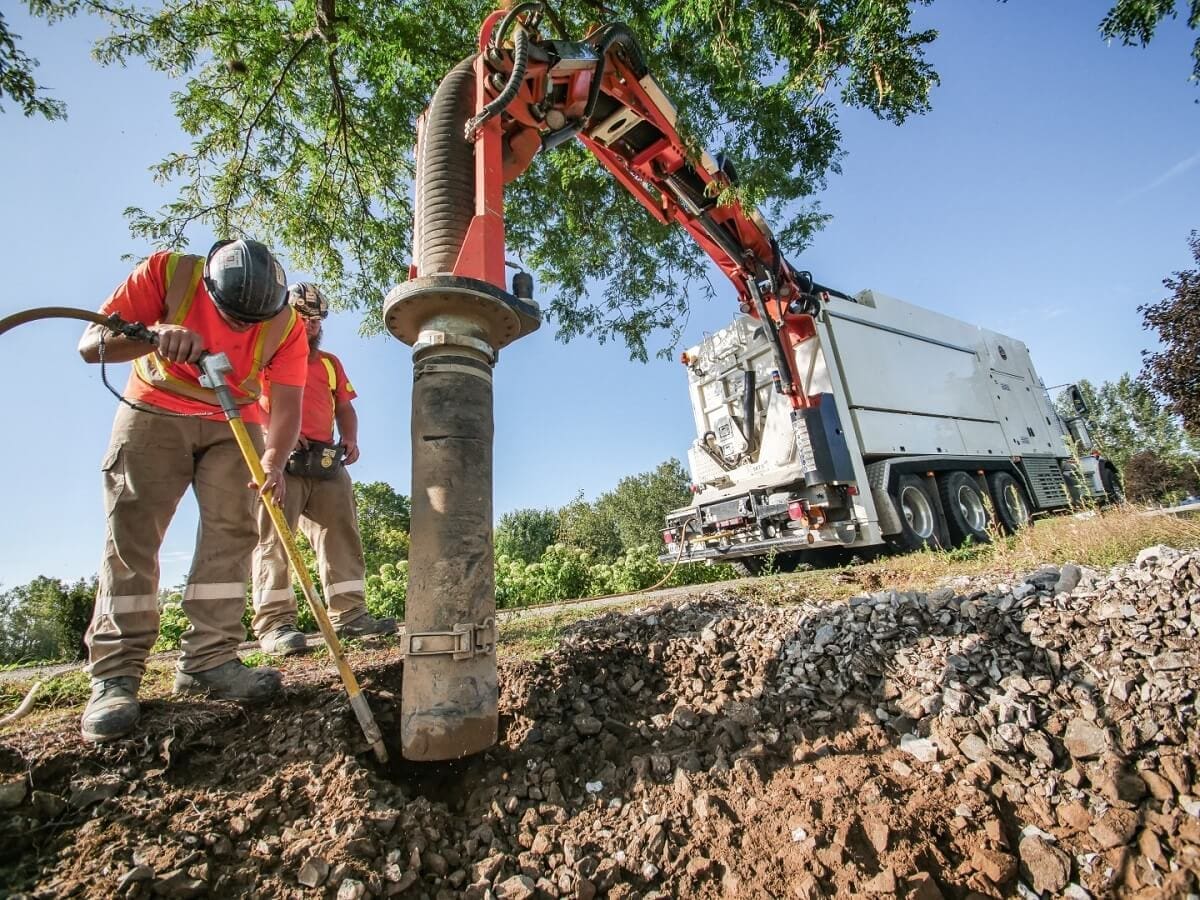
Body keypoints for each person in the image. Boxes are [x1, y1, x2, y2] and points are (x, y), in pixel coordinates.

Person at [77, 239, 309, 743]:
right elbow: (91, 343)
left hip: (235, 419)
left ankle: (211, 658)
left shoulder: (286, 324)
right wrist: (153, 335)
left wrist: (274, 458)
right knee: (133, 534)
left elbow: (287, 403)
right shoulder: (169, 273)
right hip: (155, 407)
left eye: (253, 322)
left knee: (233, 533)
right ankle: (116, 674)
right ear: (210, 286)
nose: (242, 330)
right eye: (234, 319)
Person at [251, 282, 396, 655]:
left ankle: (350, 616)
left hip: (325, 460)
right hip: (280, 459)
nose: (312, 326)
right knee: (275, 539)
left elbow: (345, 406)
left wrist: (350, 438)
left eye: (317, 320)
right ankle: (275, 625)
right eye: (303, 318)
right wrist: (279, 433)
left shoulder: (329, 363)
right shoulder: (264, 357)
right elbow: (250, 401)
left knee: (341, 533)